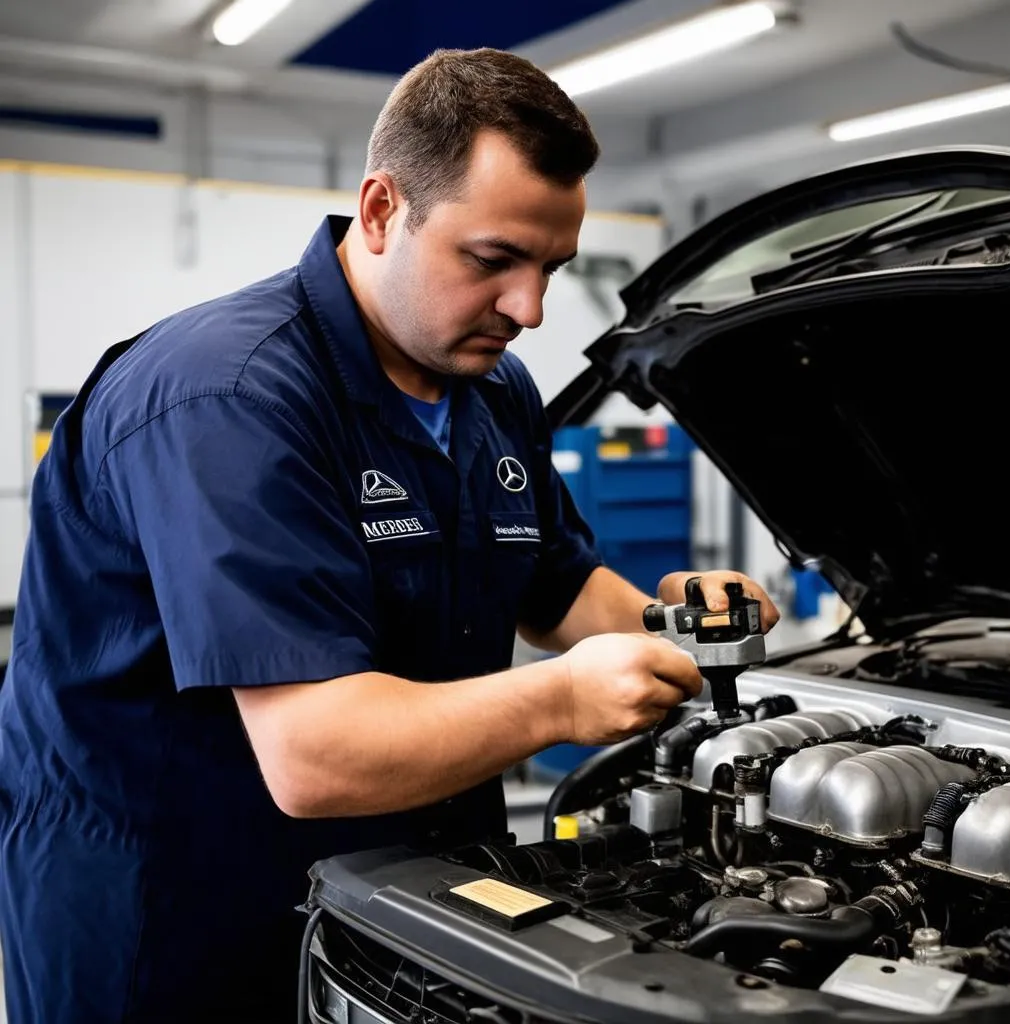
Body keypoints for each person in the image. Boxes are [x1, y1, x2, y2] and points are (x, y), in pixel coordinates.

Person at [0, 47, 779, 1023]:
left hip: (402, 894)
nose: (529, 310)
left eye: (550, 268)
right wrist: (564, 700)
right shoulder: (228, 397)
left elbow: (555, 588)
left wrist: (674, 619)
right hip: (175, 915)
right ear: (380, 211)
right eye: (493, 260)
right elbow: (317, 753)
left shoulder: (491, 388)